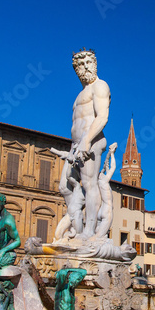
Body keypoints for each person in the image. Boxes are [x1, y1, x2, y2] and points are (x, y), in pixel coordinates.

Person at [60, 49, 110, 239]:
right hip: (75, 145)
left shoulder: (100, 86)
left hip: (91, 141)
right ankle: (77, 227)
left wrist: (87, 140)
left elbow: (103, 116)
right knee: (64, 187)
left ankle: (89, 231)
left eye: (88, 62)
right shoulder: (81, 94)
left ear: (95, 63)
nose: (85, 67)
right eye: (80, 64)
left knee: (90, 185)